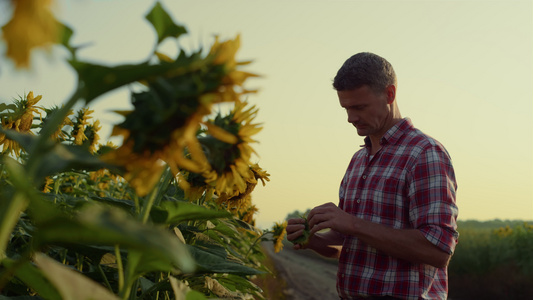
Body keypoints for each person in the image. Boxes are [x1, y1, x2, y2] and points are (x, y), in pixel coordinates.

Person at [286, 52, 459, 300]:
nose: (350, 118)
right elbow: (348, 244)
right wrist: (312, 240)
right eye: (345, 108)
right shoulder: (358, 160)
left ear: (389, 94)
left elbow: (438, 250)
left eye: (359, 107)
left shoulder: (424, 154)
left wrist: (352, 223)